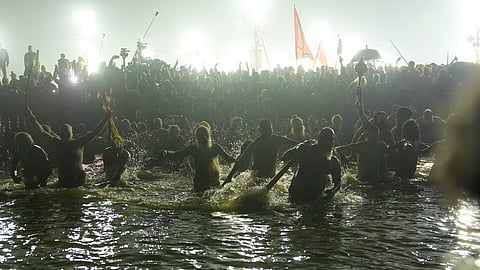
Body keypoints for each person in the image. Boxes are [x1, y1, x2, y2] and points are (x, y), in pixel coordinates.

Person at [25, 106, 109, 188]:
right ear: (59, 133)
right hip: (64, 180)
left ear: (71, 133)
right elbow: (41, 131)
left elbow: (95, 132)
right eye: (62, 131)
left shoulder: (78, 143)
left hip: (77, 180)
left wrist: (105, 119)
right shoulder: (57, 142)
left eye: (66, 131)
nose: (64, 133)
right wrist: (31, 116)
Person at [162, 125, 236, 192]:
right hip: (200, 184)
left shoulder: (215, 148)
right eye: (201, 136)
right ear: (197, 137)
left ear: (208, 136)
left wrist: (237, 160)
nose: (203, 137)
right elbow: (178, 154)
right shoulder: (194, 149)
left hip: (214, 182)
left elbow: (229, 159)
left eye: (204, 135)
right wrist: (167, 152)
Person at [224, 119, 298, 184]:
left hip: (271, 177)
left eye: (269, 129)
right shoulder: (256, 143)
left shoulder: (277, 139)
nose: (268, 131)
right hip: (257, 177)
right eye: (265, 129)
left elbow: (297, 144)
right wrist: (229, 177)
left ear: (271, 128)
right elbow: (241, 160)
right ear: (260, 130)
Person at [282, 127, 342, 204]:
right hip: (297, 196)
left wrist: (332, 191)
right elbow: (284, 157)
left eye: (330, 139)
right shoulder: (306, 151)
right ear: (318, 139)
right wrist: (298, 148)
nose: (328, 142)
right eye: (325, 139)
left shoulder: (333, 162)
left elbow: (338, 183)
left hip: (316, 199)